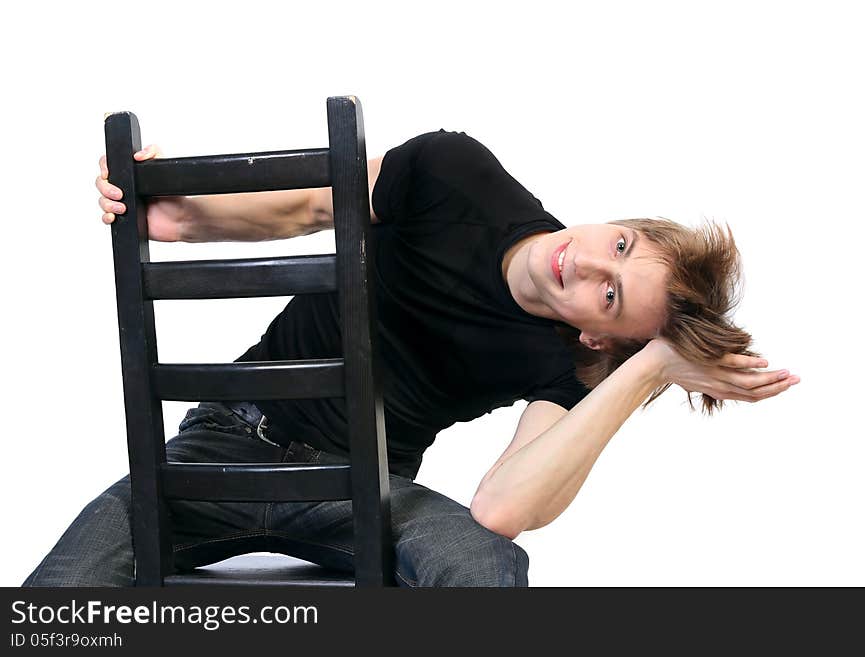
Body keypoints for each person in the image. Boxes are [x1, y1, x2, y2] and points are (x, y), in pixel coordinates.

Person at [23, 129, 798, 587]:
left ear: (599, 337)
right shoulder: (455, 174)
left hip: (369, 484)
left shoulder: (566, 364)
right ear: (618, 221)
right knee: (61, 596)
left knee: (485, 568)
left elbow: (501, 512)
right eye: (619, 246)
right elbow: (308, 203)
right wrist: (183, 215)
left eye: (612, 298)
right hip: (223, 443)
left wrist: (650, 366)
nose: (590, 266)